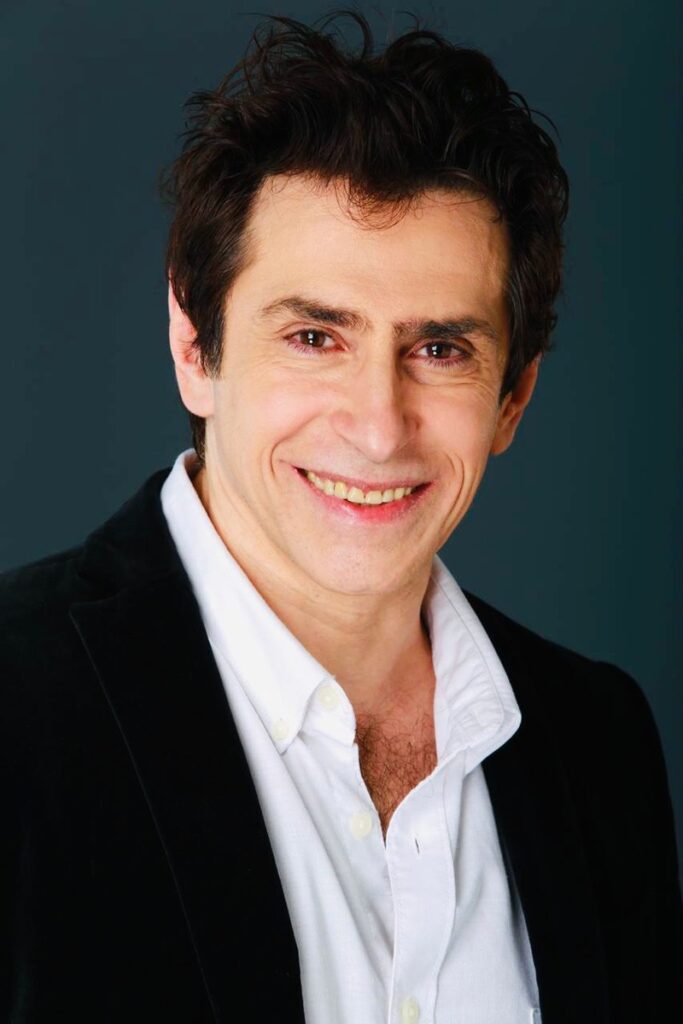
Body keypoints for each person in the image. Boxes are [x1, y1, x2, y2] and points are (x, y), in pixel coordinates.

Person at [1, 10, 680, 1023]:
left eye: (439, 350)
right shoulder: (16, 705)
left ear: (513, 397)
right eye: (315, 336)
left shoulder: (597, 741)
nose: (376, 425)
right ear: (194, 345)